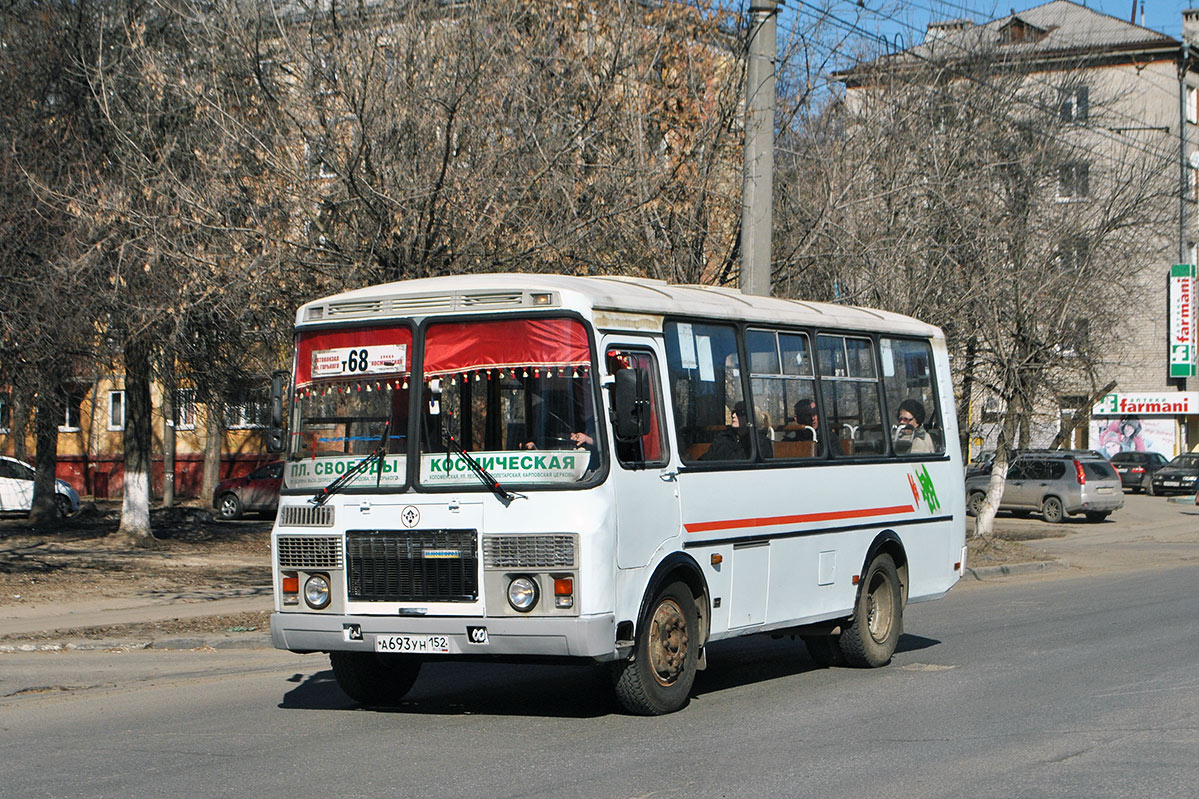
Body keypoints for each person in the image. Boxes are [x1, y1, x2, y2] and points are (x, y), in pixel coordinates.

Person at [701, 401, 772, 460]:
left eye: (739, 413)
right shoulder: (724, 438)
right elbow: (708, 457)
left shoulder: (759, 443)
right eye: (733, 412)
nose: (733, 415)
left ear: (750, 418)